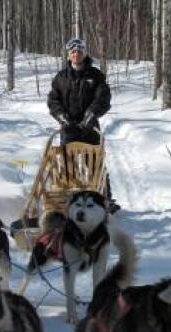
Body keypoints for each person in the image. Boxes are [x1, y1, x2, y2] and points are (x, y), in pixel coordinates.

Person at [47, 37, 120, 213]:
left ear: (84, 53)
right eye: (73, 52)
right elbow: (53, 100)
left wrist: (92, 113)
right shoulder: (61, 77)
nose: (76, 54)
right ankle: (67, 200)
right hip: (69, 128)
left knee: (95, 165)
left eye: (79, 51)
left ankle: (105, 200)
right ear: (68, 55)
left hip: (90, 128)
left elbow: (103, 98)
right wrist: (62, 117)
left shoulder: (95, 75)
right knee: (67, 165)